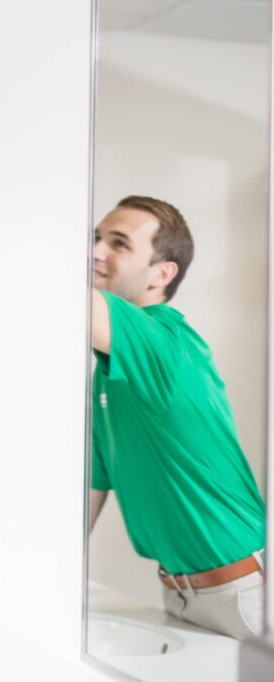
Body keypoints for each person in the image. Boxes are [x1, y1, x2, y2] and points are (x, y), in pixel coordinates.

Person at [89, 195, 266, 640]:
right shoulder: (107, 372)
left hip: (246, 591)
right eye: (96, 238)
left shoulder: (166, 339)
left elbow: (65, 299)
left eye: (119, 243)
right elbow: (91, 488)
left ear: (162, 274)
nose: (95, 251)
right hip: (180, 593)